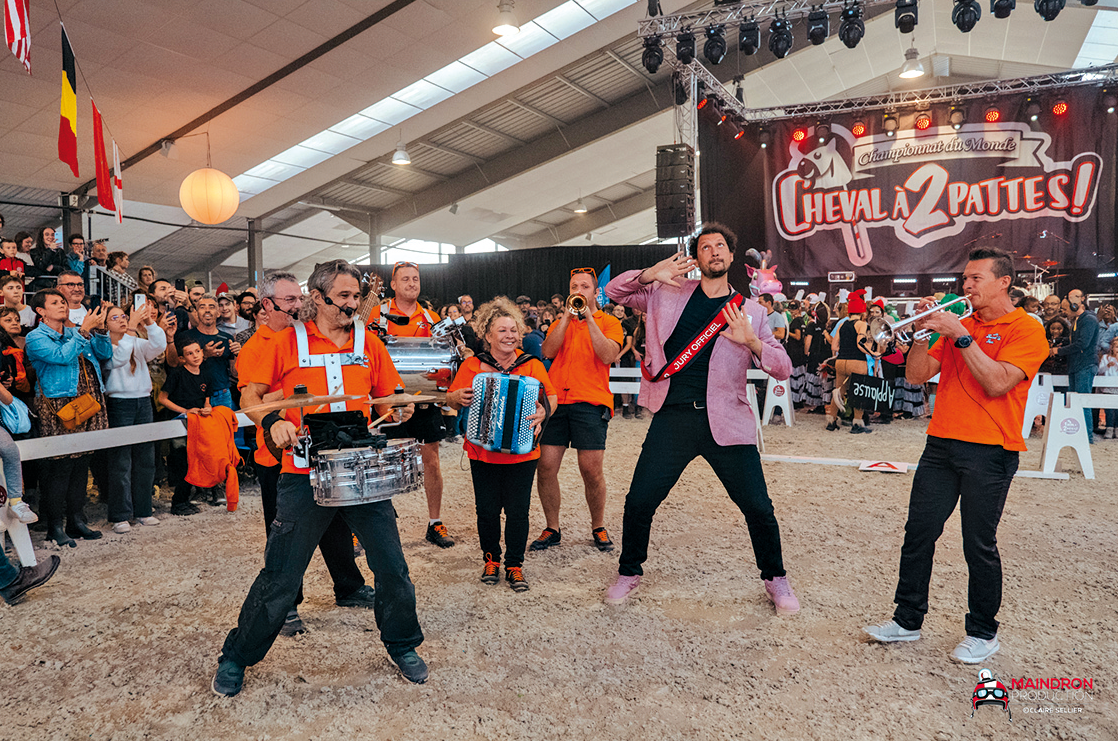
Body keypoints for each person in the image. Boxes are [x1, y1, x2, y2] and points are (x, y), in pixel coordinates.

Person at [213, 259, 427, 697]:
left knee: (392, 566)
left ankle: (403, 644)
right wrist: (272, 420)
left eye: (355, 296)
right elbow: (249, 394)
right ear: (318, 297)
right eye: (344, 297)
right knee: (281, 574)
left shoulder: (370, 341)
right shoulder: (284, 343)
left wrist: (400, 403)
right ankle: (236, 657)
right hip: (302, 471)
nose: (353, 305)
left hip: (362, 469)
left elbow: (385, 392)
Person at [863, 246, 1048, 664]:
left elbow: (998, 382)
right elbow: (915, 375)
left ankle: (983, 632)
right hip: (941, 443)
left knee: (978, 544)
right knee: (918, 533)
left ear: (1004, 282)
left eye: (975, 279)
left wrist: (960, 336)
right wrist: (925, 331)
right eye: (964, 278)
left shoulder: (1026, 328)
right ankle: (907, 620)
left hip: (992, 449)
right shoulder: (958, 324)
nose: (966, 286)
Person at [601, 224, 799, 612]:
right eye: (705, 247)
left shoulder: (752, 312)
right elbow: (613, 291)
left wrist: (753, 342)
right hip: (672, 418)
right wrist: (648, 274)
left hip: (726, 421)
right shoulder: (666, 292)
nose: (713, 252)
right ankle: (629, 570)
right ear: (697, 258)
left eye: (720, 246)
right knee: (640, 500)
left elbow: (783, 368)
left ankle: (775, 579)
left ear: (730, 255)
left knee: (758, 507)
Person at [236, 270, 376, 637]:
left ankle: (348, 585)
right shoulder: (262, 345)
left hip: (324, 449)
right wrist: (293, 404)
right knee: (286, 538)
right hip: (279, 453)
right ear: (266, 306)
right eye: (289, 301)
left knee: (336, 523)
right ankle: (287, 606)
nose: (299, 306)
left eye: (299, 299)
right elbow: (257, 399)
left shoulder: (314, 338)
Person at [446, 298, 557, 592]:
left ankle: (515, 564)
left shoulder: (531, 365)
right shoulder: (472, 365)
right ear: (488, 335)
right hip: (482, 452)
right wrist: (455, 399)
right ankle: (491, 559)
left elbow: (552, 397)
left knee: (519, 511)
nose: (509, 336)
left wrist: (545, 410)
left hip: (523, 453)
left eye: (514, 330)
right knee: (486, 510)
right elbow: (450, 397)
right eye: (502, 331)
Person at [534, 266, 623, 552]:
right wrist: (565, 318)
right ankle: (552, 527)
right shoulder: (563, 321)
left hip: (591, 401)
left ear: (595, 292)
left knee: (591, 470)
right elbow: (547, 351)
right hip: (557, 401)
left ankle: (598, 525)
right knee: (546, 466)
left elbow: (608, 354)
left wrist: (588, 318)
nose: (578, 291)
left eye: (584, 286)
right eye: (574, 286)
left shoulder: (609, 322)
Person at [25, 289, 112, 547]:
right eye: (55, 302)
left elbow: (104, 354)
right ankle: (55, 526)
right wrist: (84, 331)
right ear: (40, 311)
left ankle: (76, 520)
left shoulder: (75, 332)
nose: (62, 306)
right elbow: (60, 357)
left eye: (63, 302)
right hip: (59, 404)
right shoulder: (35, 337)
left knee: (81, 465)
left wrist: (102, 329)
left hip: (88, 401)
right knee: (60, 469)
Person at [379, 262, 454, 548]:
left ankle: (435, 522)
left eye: (416, 278)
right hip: (388, 400)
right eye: (405, 279)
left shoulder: (431, 317)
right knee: (382, 462)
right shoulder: (379, 314)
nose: (412, 283)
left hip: (424, 400)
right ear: (394, 285)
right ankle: (378, 524)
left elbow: (441, 361)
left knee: (431, 460)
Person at [103, 302, 166, 534]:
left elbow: (159, 345)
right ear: (105, 324)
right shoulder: (104, 345)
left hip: (143, 401)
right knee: (120, 462)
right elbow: (118, 359)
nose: (121, 319)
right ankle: (120, 514)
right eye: (115, 317)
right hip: (119, 403)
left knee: (146, 459)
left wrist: (149, 321)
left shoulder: (137, 342)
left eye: (123, 316)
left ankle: (143, 510)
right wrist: (131, 328)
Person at [157, 339, 217, 514]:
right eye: (190, 353)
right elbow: (163, 398)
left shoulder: (206, 374)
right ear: (183, 358)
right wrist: (185, 411)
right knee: (182, 463)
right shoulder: (177, 374)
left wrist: (207, 409)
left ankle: (185, 499)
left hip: (198, 424)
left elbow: (207, 400)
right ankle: (178, 502)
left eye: (197, 351)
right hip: (180, 423)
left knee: (194, 462)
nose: (195, 356)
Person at [169, 294, 240, 411]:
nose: (207, 310)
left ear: (218, 313)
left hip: (222, 394)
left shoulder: (227, 338)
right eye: (202, 307)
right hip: (193, 394)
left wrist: (238, 354)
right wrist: (205, 355)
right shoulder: (185, 337)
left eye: (212, 307)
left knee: (223, 428)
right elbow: (175, 364)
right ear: (196, 312)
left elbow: (236, 374)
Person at [1052, 289, 1100, 444]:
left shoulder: (1088, 320)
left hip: (1084, 365)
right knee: (1074, 401)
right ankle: (1079, 435)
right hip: (1077, 365)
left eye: (1065, 309)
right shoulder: (1079, 320)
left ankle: (1087, 437)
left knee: (1082, 402)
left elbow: (1082, 344)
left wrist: (1058, 350)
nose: (1064, 313)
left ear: (1075, 305)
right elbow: (1076, 343)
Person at [825, 293, 873, 434]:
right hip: (857, 361)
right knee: (859, 392)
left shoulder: (842, 324)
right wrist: (873, 353)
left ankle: (831, 421)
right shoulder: (862, 324)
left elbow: (834, 347)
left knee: (838, 392)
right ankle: (857, 423)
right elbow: (860, 344)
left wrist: (845, 349)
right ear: (863, 312)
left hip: (841, 362)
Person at [803, 302, 831, 412]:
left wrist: (806, 353)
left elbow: (808, 341)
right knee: (824, 381)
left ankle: (817, 403)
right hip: (826, 356)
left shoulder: (811, 326)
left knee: (814, 379)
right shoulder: (827, 327)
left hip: (814, 355)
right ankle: (824, 403)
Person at [785, 301, 808, 407]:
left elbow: (798, 336)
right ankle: (798, 399)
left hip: (795, 352)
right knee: (799, 377)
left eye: (793, 309)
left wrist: (786, 332)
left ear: (799, 309)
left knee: (795, 377)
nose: (791, 311)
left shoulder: (796, 321)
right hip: (799, 352)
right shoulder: (802, 320)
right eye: (790, 309)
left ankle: (796, 400)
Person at [1098, 337, 1118, 439]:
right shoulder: (1106, 358)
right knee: (1109, 409)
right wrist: (1107, 366)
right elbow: (1100, 370)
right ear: (1112, 348)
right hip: (1108, 387)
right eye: (1117, 347)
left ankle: (1117, 428)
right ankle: (1109, 427)